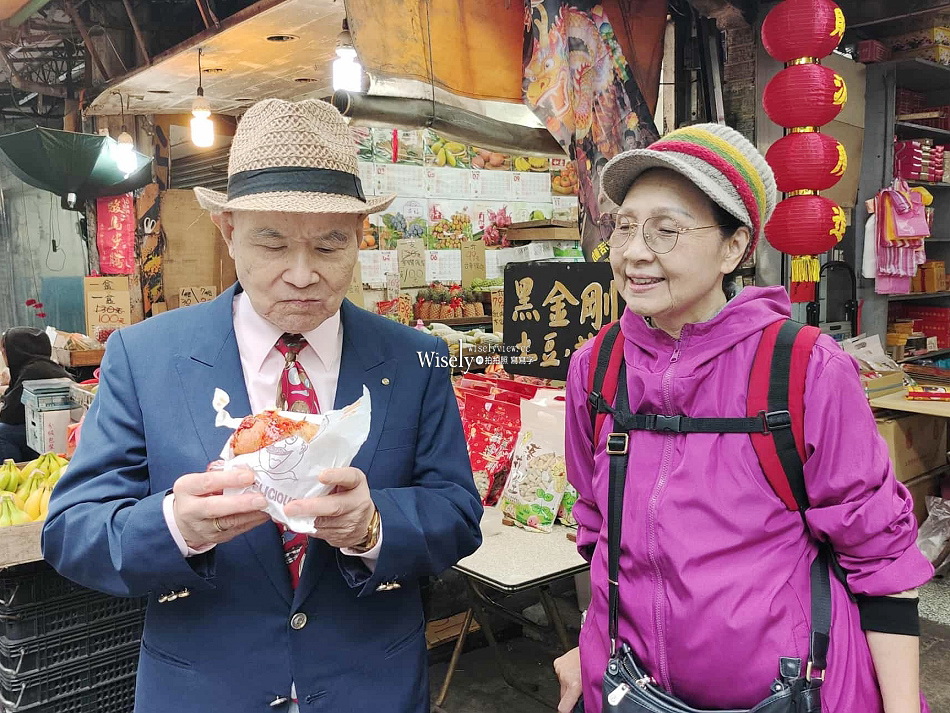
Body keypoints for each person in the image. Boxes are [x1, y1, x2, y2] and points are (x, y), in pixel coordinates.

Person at [42, 98, 483, 713]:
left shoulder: (414, 359)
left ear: (360, 237)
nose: (301, 275)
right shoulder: (145, 357)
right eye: (272, 245)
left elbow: (458, 513)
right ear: (228, 231)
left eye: (329, 248)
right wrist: (174, 527)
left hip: (370, 688)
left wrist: (373, 526)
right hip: (204, 689)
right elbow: (72, 530)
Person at [555, 124, 933, 713]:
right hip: (631, 692)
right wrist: (589, 640)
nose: (634, 252)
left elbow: (877, 555)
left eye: (667, 230)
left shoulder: (805, 369)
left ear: (735, 247)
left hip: (789, 694)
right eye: (625, 225)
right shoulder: (597, 369)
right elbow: (599, 529)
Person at [0, 327, 72, 461]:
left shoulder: (33, 372)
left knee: (2, 432)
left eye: (5, 349)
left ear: (16, 351)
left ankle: (12, 470)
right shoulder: (43, 366)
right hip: (52, 428)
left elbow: (9, 415)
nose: (3, 354)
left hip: (53, 433)